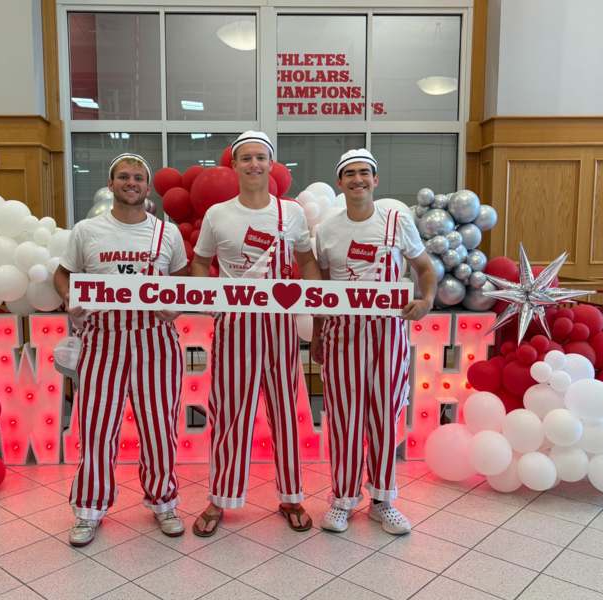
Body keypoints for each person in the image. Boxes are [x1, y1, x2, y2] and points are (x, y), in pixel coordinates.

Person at [190, 131, 322, 536]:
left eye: (260, 158)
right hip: (234, 329)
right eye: (245, 158)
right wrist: (211, 303)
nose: (253, 165)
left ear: (271, 164)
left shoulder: (292, 212)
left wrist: (316, 311)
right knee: (230, 414)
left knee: (285, 412)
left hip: (280, 327)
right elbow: (200, 263)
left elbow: (307, 263)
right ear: (233, 165)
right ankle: (221, 497)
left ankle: (291, 495)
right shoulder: (218, 214)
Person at [54, 153, 189, 546]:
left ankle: (164, 501)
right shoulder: (87, 230)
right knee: (97, 427)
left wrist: (174, 306)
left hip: (156, 339)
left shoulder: (168, 234)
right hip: (103, 340)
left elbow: (182, 280)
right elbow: (63, 272)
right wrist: (68, 297)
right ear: (111, 185)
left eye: (138, 178)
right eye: (123, 177)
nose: (131, 183)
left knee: (160, 427)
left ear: (148, 188)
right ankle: (89, 508)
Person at [312, 149, 437, 534]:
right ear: (340, 182)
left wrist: (427, 299)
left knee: (384, 416)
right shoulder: (327, 231)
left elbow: (425, 268)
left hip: (388, 335)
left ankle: (383, 499)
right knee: (345, 419)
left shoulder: (397, 221)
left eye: (364, 173)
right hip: (341, 335)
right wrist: (317, 335)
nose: (357, 180)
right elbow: (321, 290)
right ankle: (343, 500)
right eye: (349, 174)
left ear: (376, 180)